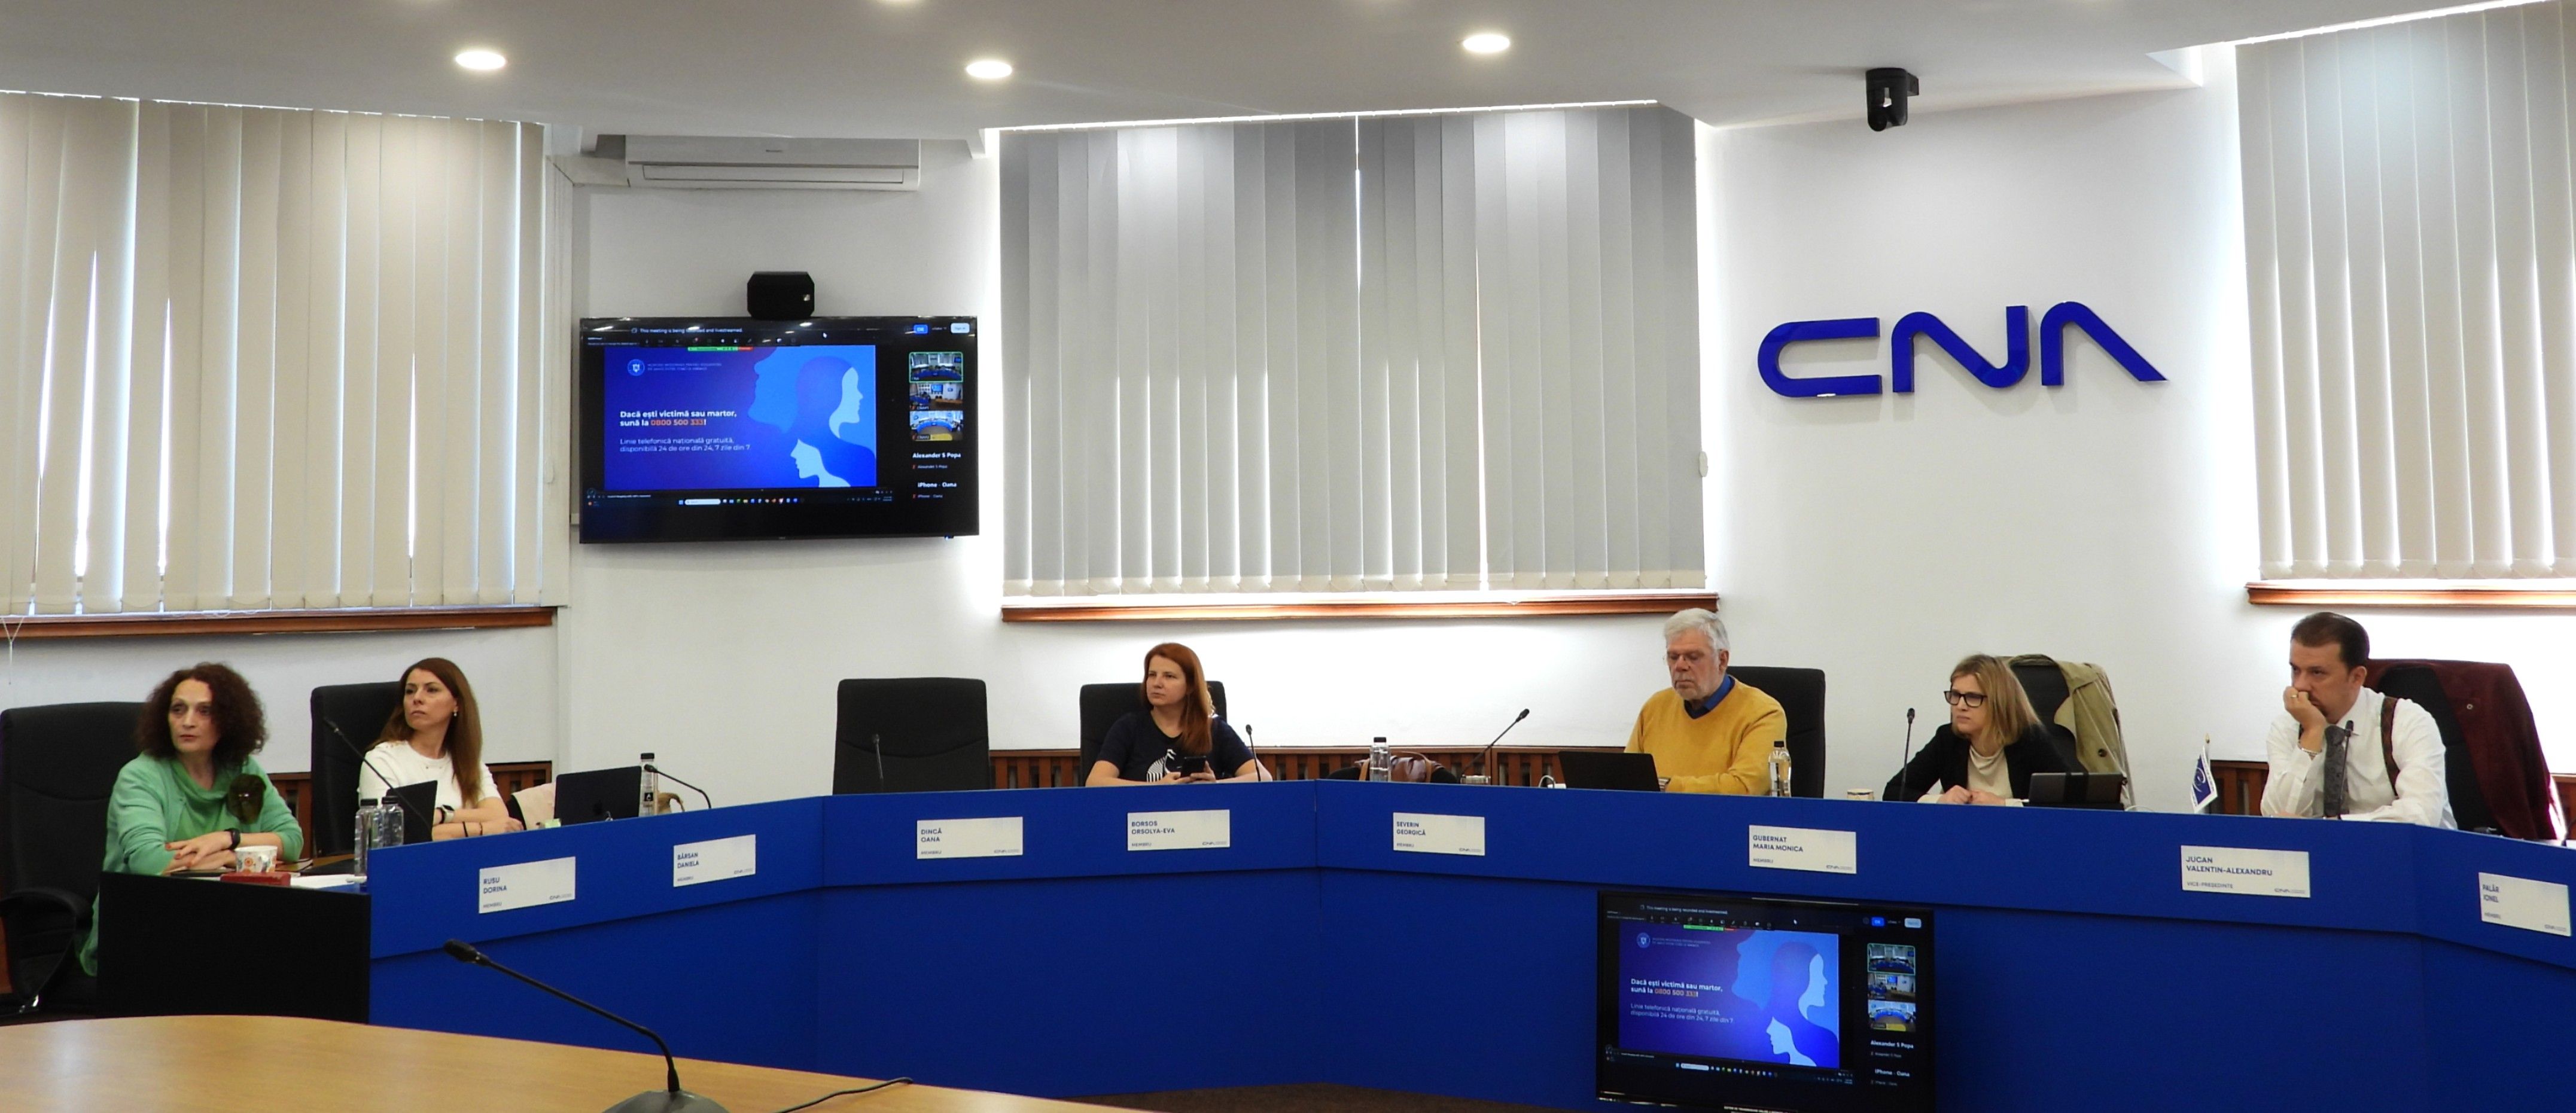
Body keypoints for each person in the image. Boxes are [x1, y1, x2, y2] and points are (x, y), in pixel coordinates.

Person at [76, 663, 305, 977]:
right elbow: (150, 862)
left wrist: (228, 841)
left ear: (228, 719)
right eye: (178, 710)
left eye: (204, 711)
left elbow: (291, 842)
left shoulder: (242, 770)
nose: (188, 722)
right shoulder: (141, 776)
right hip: (143, 931)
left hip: (227, 926)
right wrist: (239, 859)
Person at [2261, 612, 2454, 827]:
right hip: (2317, 849)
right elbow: (2278, 819)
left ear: (2356, 677)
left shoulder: (2407, 721)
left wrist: (2331, 828)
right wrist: (2312, 733)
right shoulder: (2288, 726)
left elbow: (2421, 815)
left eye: (2317, 673)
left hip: (2400, 848)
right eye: (2296, 670)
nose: (2300, 685)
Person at [358, 658, 523, 839]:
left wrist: (442, 816)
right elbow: (393, 834)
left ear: (457, 704)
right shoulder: (382, 760)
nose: (417, 698)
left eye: (432, 690)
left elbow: (498, 815)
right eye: (410, 691)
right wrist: (481, 829)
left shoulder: (466, 761)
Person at [1625, 609, 1785, 794]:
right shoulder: (1655, 707)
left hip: (1725, 813)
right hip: (1654, 812)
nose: (1680, 666)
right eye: (1673, 657)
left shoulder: (1763, 713)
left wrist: (1666, 786)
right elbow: (1626, 778)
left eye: (1693, 657)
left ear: (1722, 660)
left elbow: (1743, 788)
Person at [1883, 654, 2076, 804]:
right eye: (1955, 695)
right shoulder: (1947, 739)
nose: (1960, 706)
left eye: (1973, 697)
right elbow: (1894, 791)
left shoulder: (2030, 740)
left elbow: (2070, 800)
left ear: (1999, 703)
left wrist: (2005, 805)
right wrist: (1940, 800)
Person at [1088, 643, 1266, 785]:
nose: (1157, 683)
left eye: (1169, 676)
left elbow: (1263, 777)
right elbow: (1095, 782)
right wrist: (1156, 788)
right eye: (1152, 675)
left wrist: (1215, 786)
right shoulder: (1129, 728)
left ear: (1190, 686)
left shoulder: (1214, 729)